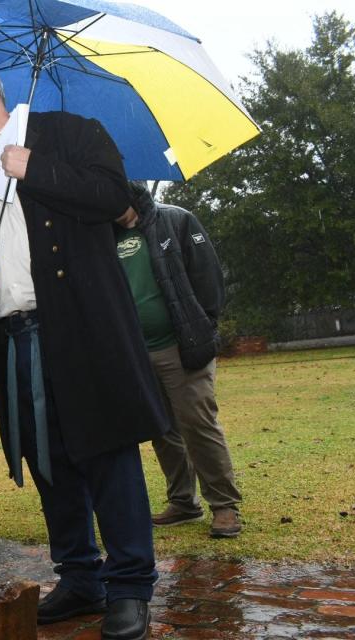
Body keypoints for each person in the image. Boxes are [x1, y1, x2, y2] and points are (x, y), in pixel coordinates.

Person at [0, 63, 168, 640]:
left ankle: (131, 585)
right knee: (50, 462)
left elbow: (117, 199)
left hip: (82, 331)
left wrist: (36, 168)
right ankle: (81, 577)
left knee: (107, 454)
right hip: (15, 338)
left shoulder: (71, 133)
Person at [115, 181, 242, 538]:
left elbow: (209, 277)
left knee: (197, 423)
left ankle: (224, 506)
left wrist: (203, 328)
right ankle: (183, 502)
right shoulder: (104, 237)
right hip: (138, 351)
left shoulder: (175, 221)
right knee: (162, 429)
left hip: (180, 345)